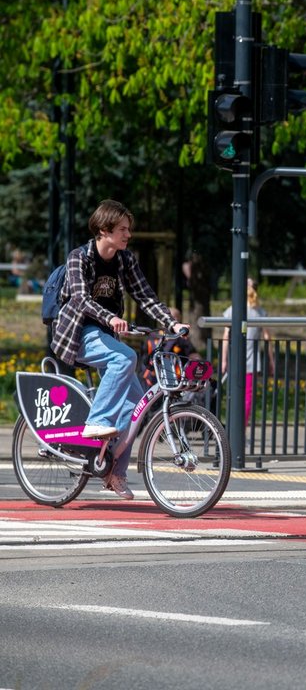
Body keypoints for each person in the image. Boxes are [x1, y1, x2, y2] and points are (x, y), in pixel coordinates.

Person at [50, 199, 188, 500]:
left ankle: (113, 471)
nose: (128, 234)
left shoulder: (125, 260)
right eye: (123, 229)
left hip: (105, 335)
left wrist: (172, 323)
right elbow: (81, 300)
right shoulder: (80, 257)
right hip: (76, 333)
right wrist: (110, 317)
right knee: (125, 357)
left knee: (137, 407)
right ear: (104, 229)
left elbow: (146, 296)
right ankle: (97, 422)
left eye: (129, 229)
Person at [221, 278, 275, 426]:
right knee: (247, 397)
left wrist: (224, 360)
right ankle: (241, 428)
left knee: (233, 396)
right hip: (252, 361)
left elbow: (226, 335)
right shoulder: (260, 312)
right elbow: (267, 338)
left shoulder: (232, 310)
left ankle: (232, 428)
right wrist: (272, 360)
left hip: (234, 359)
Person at [140, 308, 199, 388]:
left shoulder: (181, 338)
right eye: (170, 317)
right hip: (151, 377)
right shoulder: (152, 336)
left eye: (175, 318)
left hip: (174, 379)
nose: (171, 320)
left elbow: (193, 355)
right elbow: (144, 356)